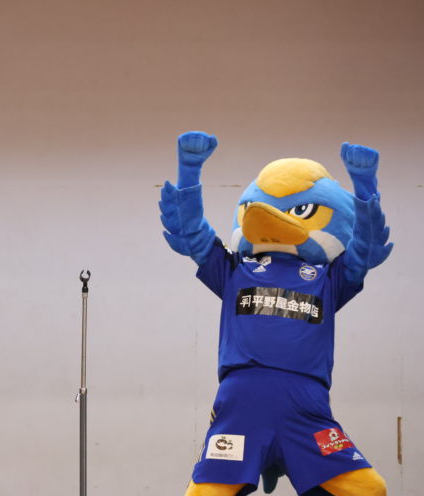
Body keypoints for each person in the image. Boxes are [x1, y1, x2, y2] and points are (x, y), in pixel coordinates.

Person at [160, 131, 391, 496]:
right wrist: (189, 171)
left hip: (307, 407)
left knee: (366, 489)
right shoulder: (235, 270)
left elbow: (364, 249)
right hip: (242, 402)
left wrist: (365, 187)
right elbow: (193, 236)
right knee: (208, 492)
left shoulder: (328, 278)